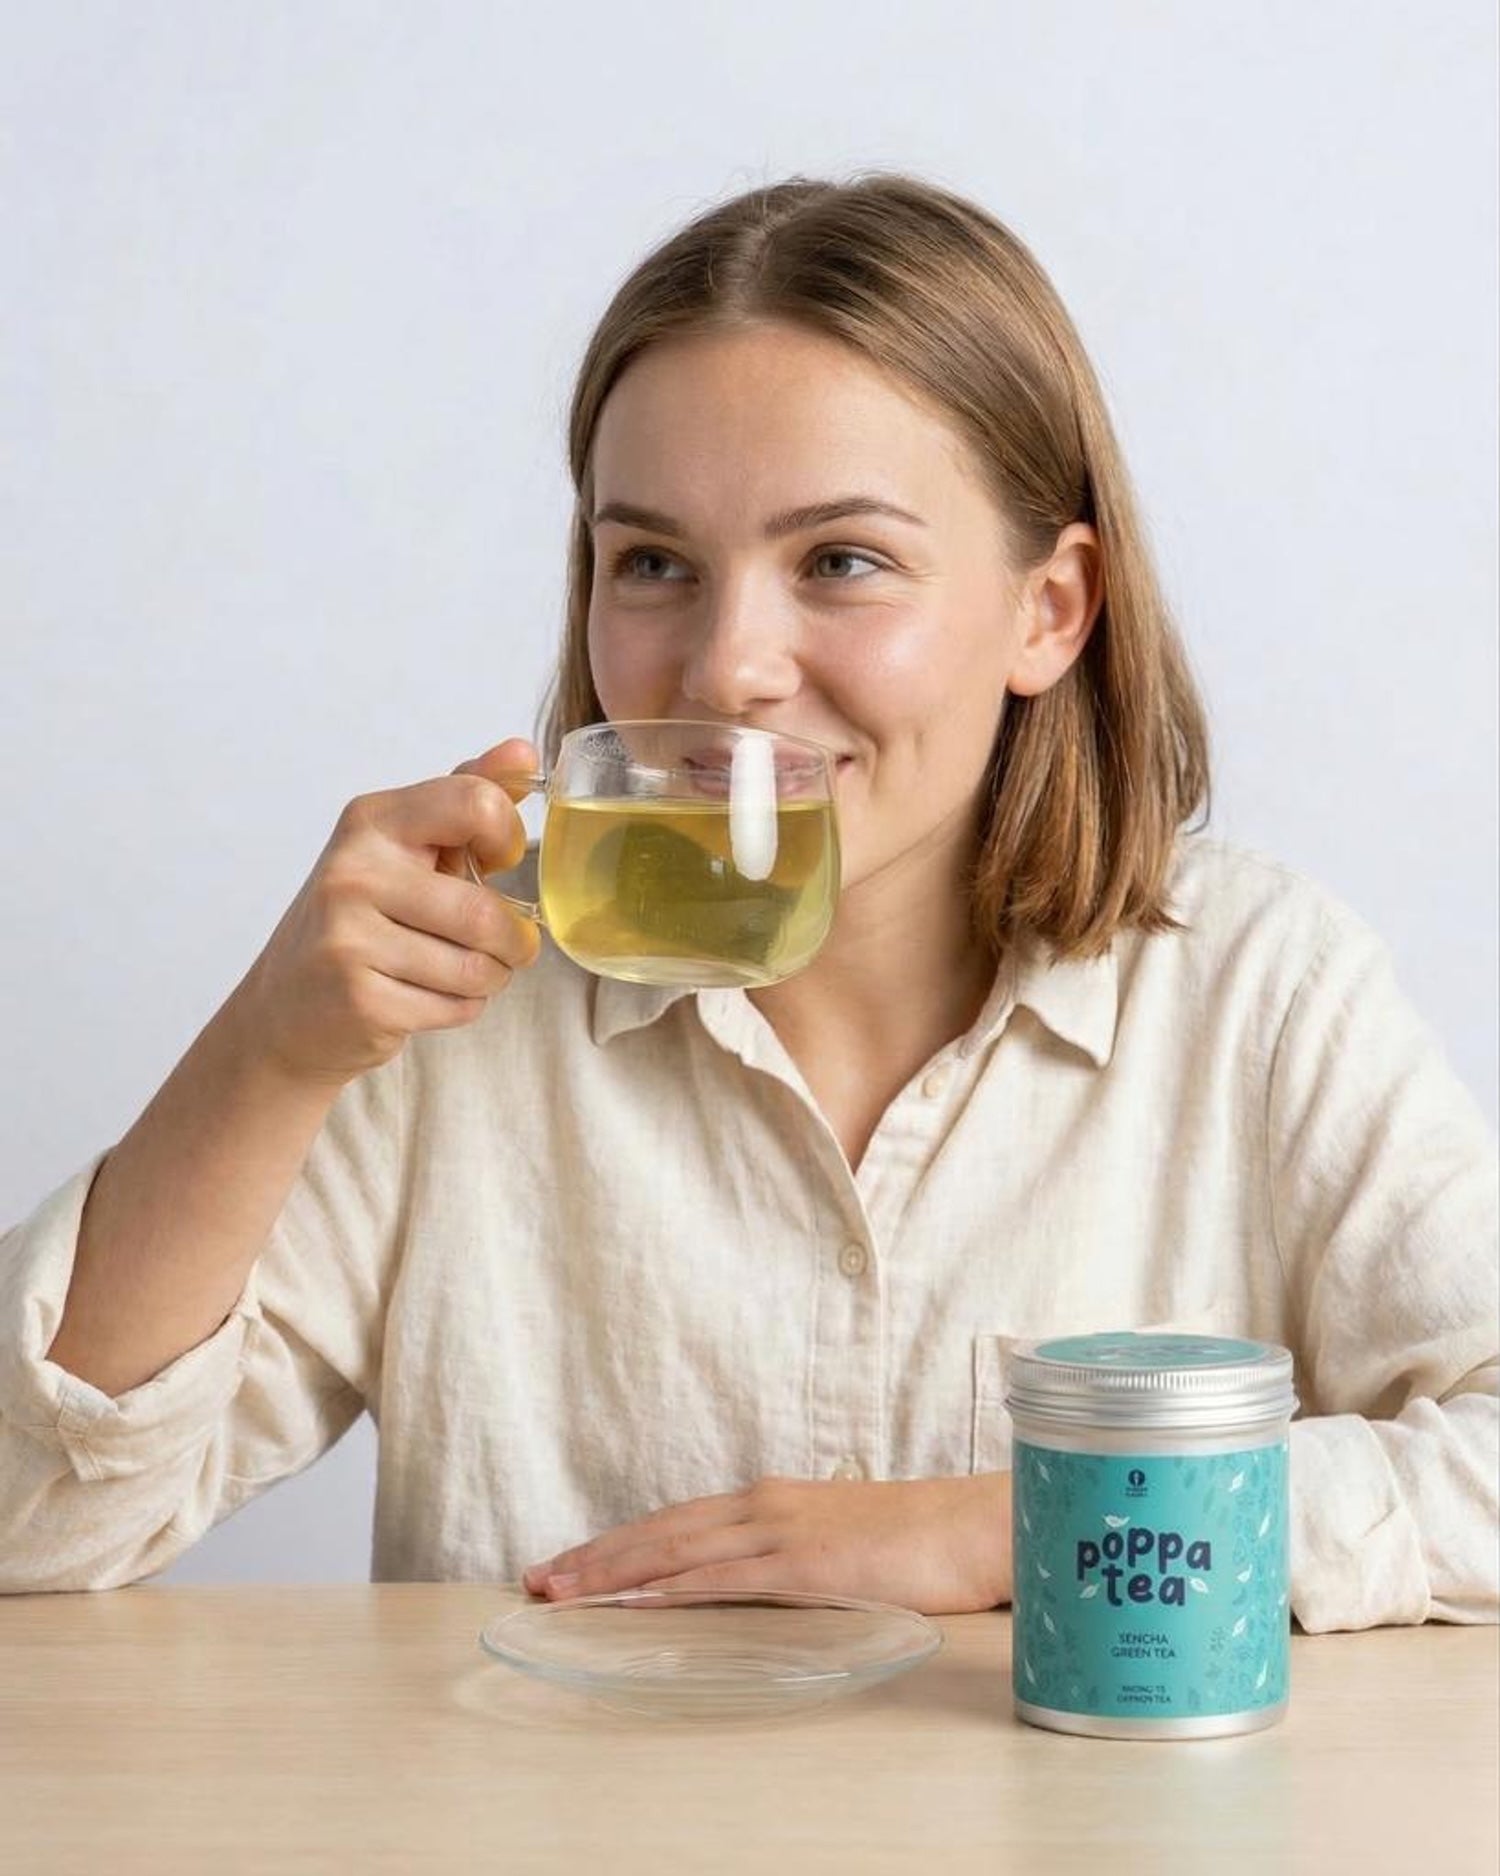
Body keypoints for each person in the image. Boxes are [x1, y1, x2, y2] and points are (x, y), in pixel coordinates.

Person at [1, 174, 1494, 1632]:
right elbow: (39, 1524)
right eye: (652, 562)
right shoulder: (459, 996)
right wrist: (268, 1052)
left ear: (1049, 611)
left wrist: (1011, 1520)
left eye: (841, 561)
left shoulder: (1259, 990)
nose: (725, 667)